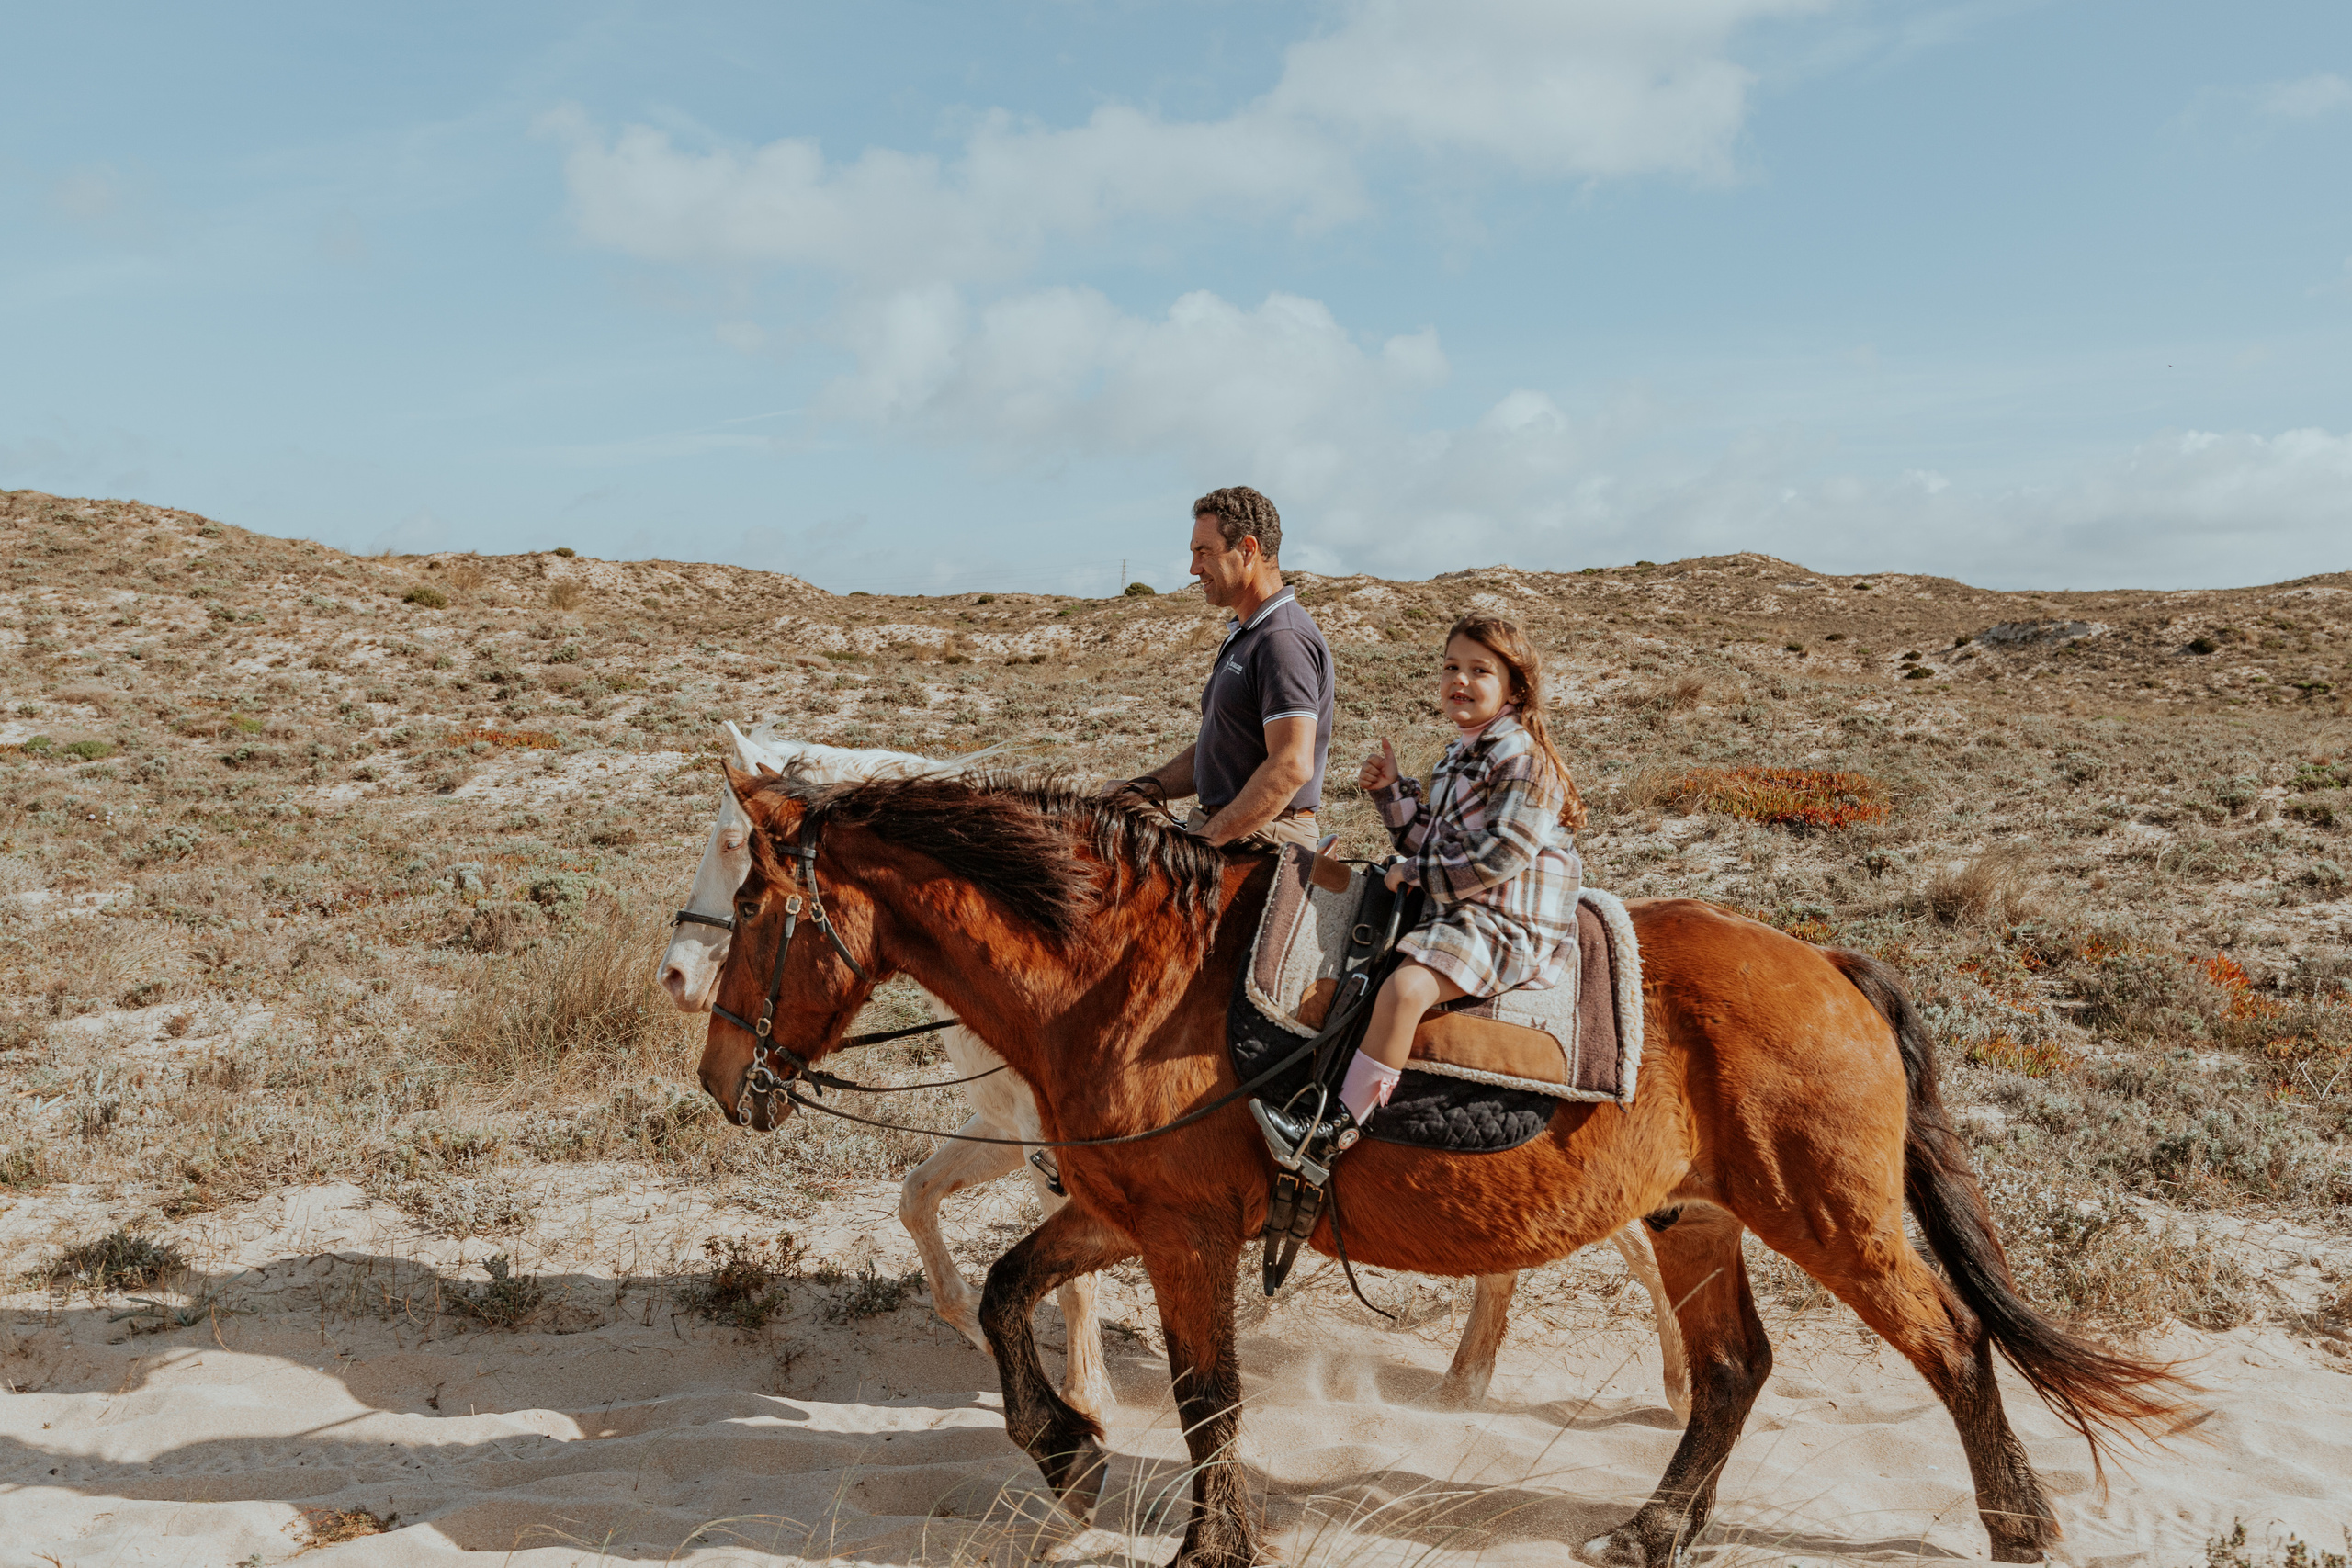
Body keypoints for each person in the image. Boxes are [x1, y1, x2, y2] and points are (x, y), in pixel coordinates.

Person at [1253, 614, 1587, 1165]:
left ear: (1514, 688)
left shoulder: (1522, 758)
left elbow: (1497, 857)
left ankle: (1333, 1129)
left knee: (1406, 990)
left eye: (1481, 670)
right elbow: (1427, 836)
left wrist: (1412, 874)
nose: (1461, 679)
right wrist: (1391, 792)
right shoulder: (1459, 755)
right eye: (1452, 666)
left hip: (1506, 917)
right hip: (1464, 903)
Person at [1107, 486, 1334, 852]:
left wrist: (1203, 843)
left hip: (1259, 840)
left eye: (1204, 552)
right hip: (1234, 832)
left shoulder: (1283, 639)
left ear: (1248, 549)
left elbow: (1291, 764)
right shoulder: (1250, 634)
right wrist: (1143, 789)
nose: (1194, 568)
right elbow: (1220, 749)